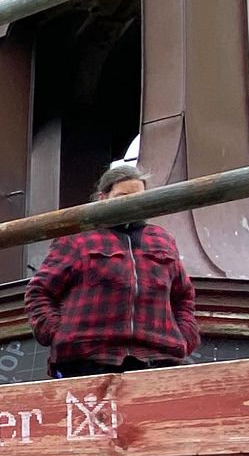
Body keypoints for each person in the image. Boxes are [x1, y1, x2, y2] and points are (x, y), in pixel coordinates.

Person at [24, 161, 199, 377]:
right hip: (86, 363)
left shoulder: (162, 240)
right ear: (102, 198)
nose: (132, 204)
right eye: (122, 197)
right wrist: (60, 335)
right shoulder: (77, 239)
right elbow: (40, 291)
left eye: (139, 198)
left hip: (158, 361)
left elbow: (183, 296)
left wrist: (184, 337)